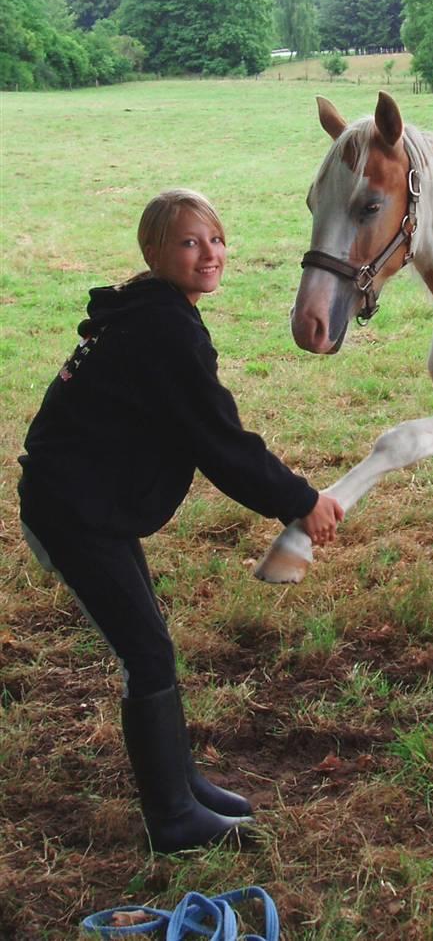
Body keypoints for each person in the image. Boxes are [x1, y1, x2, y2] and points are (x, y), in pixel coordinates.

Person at [17, 188, 344, 853]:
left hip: (90, 505)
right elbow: (219, 441)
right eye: (190, 243)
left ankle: (182, 784)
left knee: (152, 644)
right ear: (154, 253)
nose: (209, 254)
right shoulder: (163, 327)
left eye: (216, 239)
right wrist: (301, 500)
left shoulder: (153, 311)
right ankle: (171, 819)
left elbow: (202, 432)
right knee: (147, 653)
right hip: (72, 512)